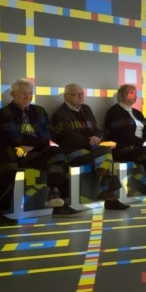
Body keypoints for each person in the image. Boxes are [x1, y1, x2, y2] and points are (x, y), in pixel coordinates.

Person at [0, 79, 81, 217]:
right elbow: (13, 139)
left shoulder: (39, 111)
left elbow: (49, 135)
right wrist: (37, 142)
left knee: (58, 153)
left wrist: (33, 144)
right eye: (24, 94)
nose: (28, 97)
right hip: (18, 151)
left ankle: (55, 194)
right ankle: (57, 201)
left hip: (35, 149)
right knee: (45, 157)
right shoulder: (4, 113)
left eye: (30, 93)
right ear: (12, 94)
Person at [51, 83, 129, 211]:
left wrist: (97, 137)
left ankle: (108, 194)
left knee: (105, 151)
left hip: (91, 147)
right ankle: (109, 196)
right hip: (71, 151)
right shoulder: (60, 114)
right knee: (103, 157)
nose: (80, 96)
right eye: (76, 94)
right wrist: (90, 142)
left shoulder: (86, 109)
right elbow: (69, 138)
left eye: (82, 93)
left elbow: (96, 129)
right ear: (66, 97)